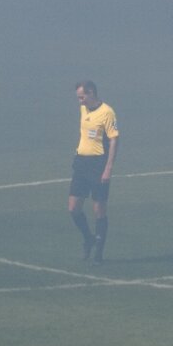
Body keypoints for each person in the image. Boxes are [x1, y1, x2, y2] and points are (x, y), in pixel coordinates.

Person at [68, 80, 119, 265]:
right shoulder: (84, 109)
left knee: (99, 210)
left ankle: (99, 253)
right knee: (73, 208)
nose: (80, 101)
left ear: (91, 93)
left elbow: (114, 140)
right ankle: (88, 238)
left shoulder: (107, 112)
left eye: (82, 97)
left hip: (98, 165)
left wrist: (108, 168)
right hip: (81, 163)